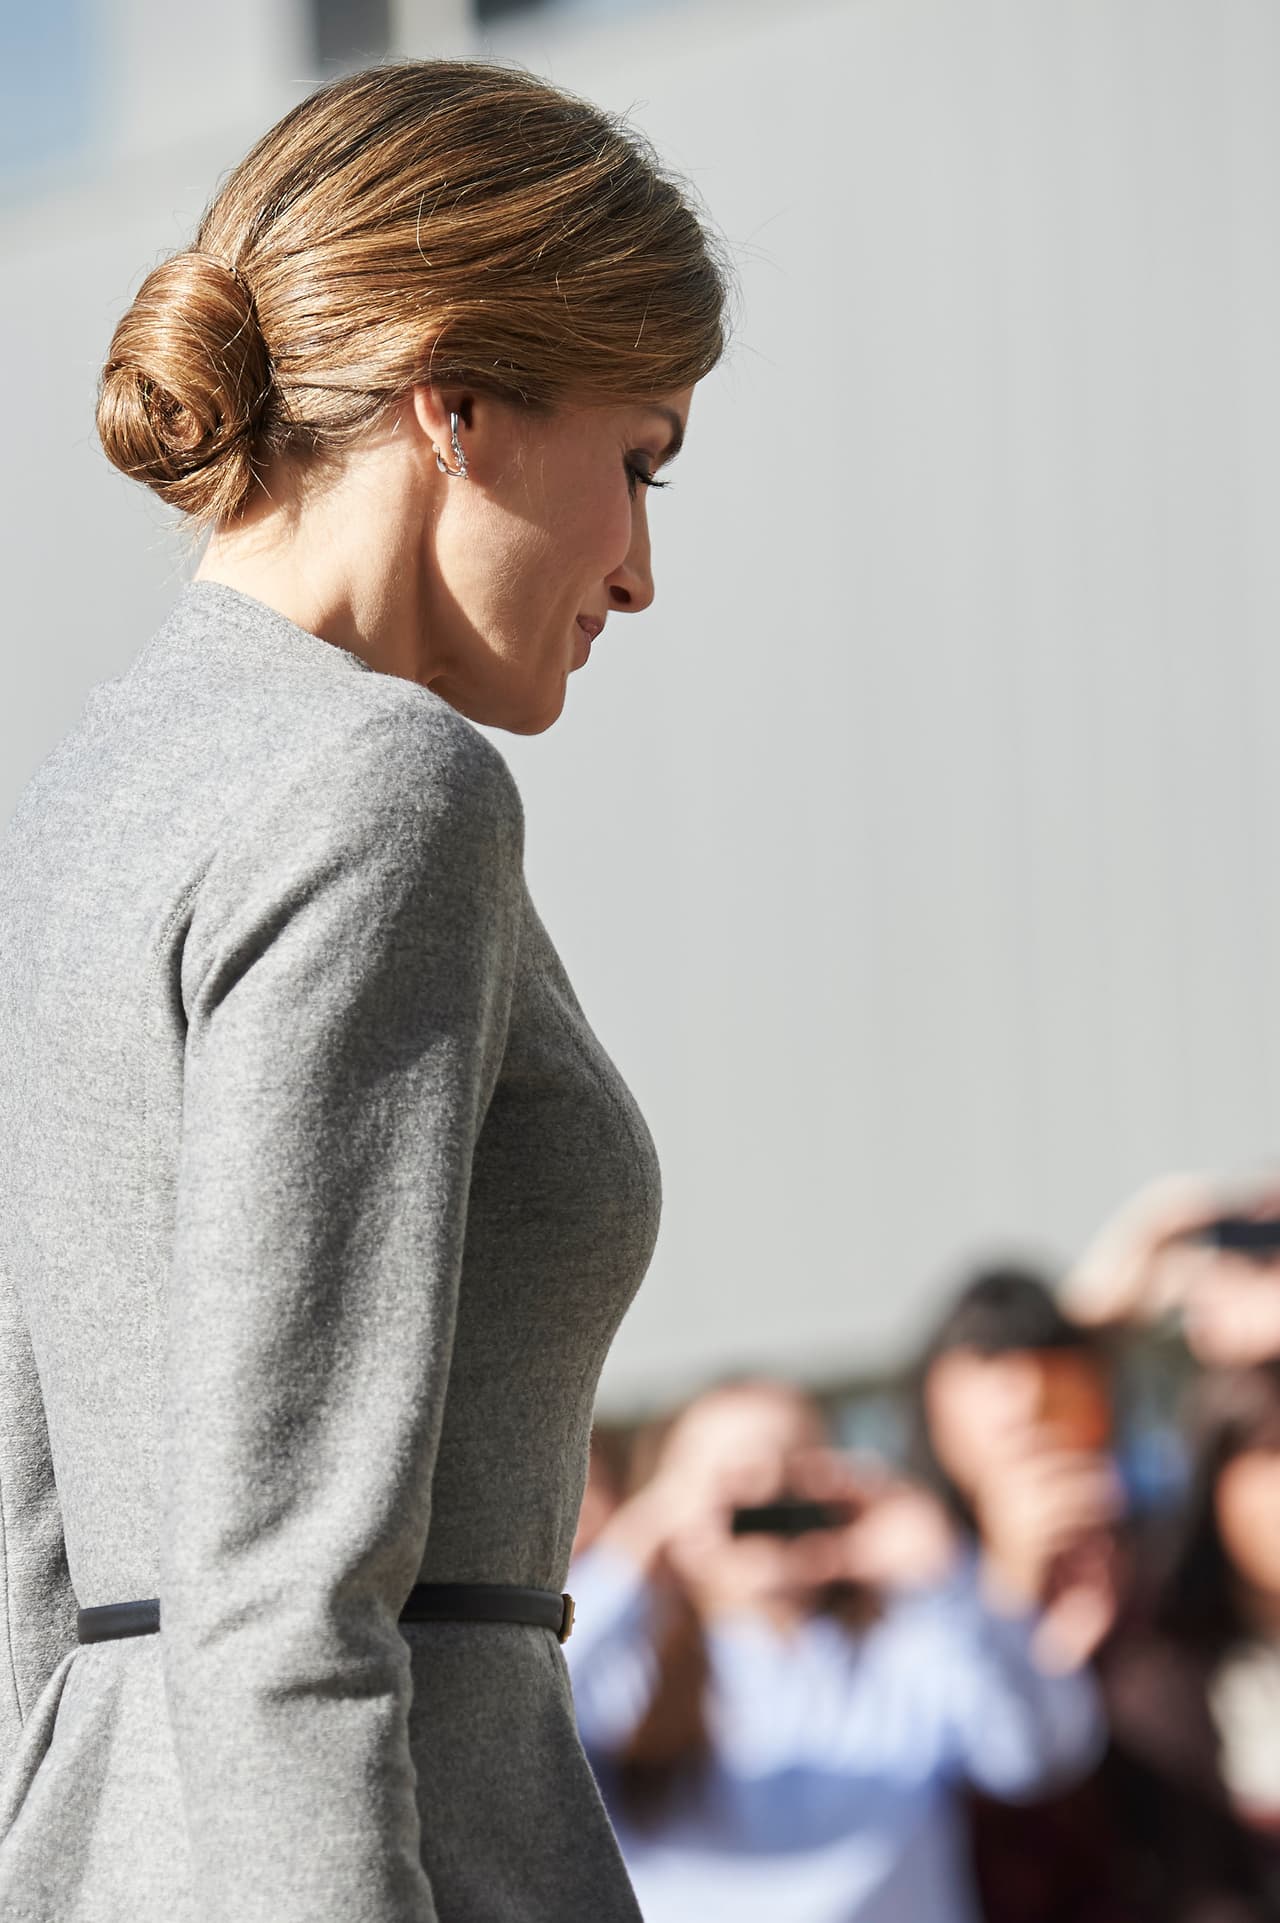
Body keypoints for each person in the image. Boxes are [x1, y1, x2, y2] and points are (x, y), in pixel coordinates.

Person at [0, 60, 728, 1923]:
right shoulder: (381, 786)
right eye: (639, 459)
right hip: (396, 1852)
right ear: (457, 402)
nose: (641, 569)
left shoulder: (80, 804)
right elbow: (285, 1578)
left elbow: (26, 1542)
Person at [565, 1377, 1109, 1923]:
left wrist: (949, 1578)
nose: (768, 1494)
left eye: (794, 1469)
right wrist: (626, 1562)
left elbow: (1041, 1755)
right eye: (734, 1481)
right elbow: (506, 1732)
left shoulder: (905, 1651)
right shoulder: (629, 1677)